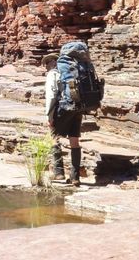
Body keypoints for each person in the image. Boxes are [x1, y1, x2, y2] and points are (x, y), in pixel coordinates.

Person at [42, 53, 82, 186]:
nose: (46, 66)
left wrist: (49, 116)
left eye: (47, 63)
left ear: (53, 62)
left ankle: (59, 173)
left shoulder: (53, 74)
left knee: (54, 137)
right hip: (77, 109)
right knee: (74, 141)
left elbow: (51, 96)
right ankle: (75, 177)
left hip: (62, 109)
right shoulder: (73, 71)